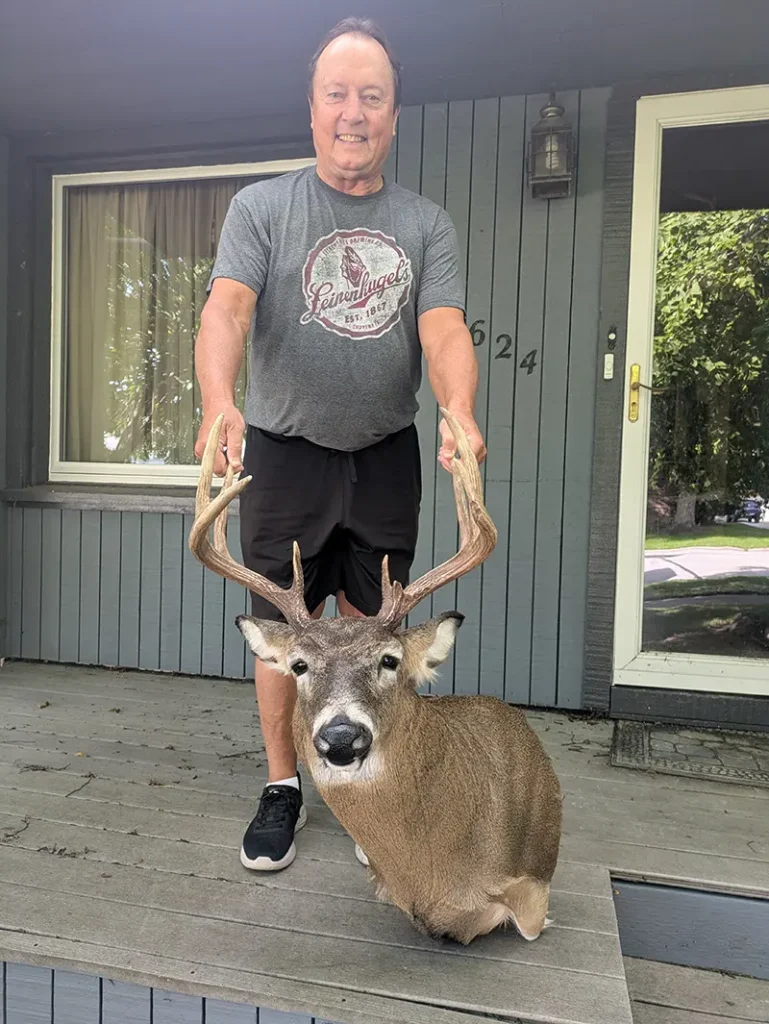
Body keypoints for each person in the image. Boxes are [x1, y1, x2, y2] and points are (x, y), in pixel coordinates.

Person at [194, 17, 486, 872]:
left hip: (384, 453)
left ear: (394, 115)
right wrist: (219, 401)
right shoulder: (263, 207)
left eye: (371, 96)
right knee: (292, 632)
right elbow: (227, 309)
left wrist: (458, 409)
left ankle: (359, 788)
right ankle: (285, 786)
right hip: (284, 455)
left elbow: (442, 329)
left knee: (369, 629)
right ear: (312, 108)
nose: (352, 113)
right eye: (337, 94)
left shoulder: (424, 224)